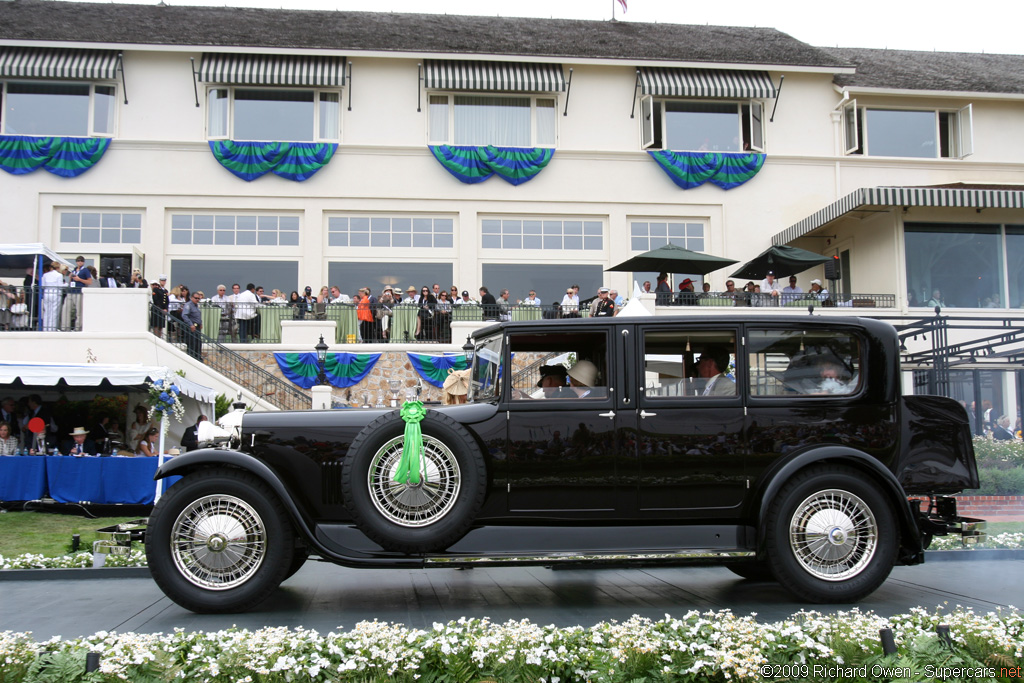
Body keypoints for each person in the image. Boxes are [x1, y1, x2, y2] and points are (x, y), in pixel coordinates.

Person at [40, 260, 65, 331]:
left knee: (47, 311)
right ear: (58, 268)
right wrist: (66, 285)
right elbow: (60, 286)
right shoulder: (59, 275)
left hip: (47, 293)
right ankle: (52, 328)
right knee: (54, 312)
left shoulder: (45, 275)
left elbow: (43, 286)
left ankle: (45, 328)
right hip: (56, 294)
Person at [182, 290, 204, 359]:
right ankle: (192, 357)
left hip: (197, 327)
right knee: (192, 343)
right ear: (192, 298)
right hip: (192, 327)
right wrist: (191, 324)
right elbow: (184, 315)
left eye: (198, 298)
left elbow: (197, 315)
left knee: (198, 343)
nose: (197, 299)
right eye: (195, 298)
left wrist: (200, 323)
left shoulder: (196, 306)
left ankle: (198, 357)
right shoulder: (188, 305)